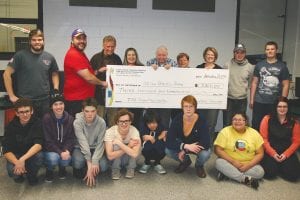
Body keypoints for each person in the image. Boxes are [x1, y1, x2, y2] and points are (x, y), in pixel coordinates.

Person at [3, 29, 59, 118]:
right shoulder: (20, 56)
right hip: (26, 101)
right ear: (29, 41)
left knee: (43, 127)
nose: (37, 42)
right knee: (27, 128)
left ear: (43, 41)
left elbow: (54, 74)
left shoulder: (49, 57)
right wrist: (11, 95)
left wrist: (56, 89)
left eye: (40, 39)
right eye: (34, 40)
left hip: (44, 100)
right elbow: (6, 74)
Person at [214, 112, 264, 189]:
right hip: (229, 162)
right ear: (231, 121)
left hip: (247, 163)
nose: (237, 122)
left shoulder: (254, 133)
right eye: (235, 119)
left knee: (260, 172)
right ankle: (244, 179)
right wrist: (233, 162)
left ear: (246, 122)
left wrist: (248, 165)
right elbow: (218, 150)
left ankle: (227, 175)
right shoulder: (225, 131)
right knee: (218, 162)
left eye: (240, 120)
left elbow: (260, 153)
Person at [63, 28, 107, 117]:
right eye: (78, 38)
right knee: (78, 127)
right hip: (76, 101)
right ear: (72, 40)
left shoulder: (80, 53)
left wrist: (98, 71)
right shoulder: (74, 54)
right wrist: (102, 83)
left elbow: (86, 74)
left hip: (82, 99)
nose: (82, 41)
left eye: (84, 38)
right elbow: (89, 78)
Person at [165, 95, 211, 178]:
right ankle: (185, 161)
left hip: (195, 146)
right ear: (182, 108)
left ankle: (199, 165)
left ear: (195, 108)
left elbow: (206, 142)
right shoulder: (177, 119)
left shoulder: (202, 120)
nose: (188, 109)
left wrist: (185, 150)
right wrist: (185, 146)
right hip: (184, 145)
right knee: (168, 150)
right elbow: (169, 140)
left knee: (206, 153)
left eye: (191, 106)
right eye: (185, 106)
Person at [2, 98, 43, 185]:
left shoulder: (38, 122)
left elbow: (38, 144)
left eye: (27, 111)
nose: (25, 114)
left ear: (32, 111)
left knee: (40, 156)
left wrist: (22, 159)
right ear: (16, 113)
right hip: (16, 155)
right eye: (21, 112)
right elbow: (6, 150)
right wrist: (17, 162)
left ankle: (31, 175)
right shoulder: (10, 126)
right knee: (12, 171)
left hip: (30, 154)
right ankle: (19, 175)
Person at [250, 41, 290, 130]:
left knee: (272, 126)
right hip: (259, 101)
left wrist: (282, 102)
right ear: (265, 51)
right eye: (268, 49)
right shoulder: (259, 65)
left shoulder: (282, 66)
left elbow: (286, 85)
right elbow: (254, 82)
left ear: (276, 50)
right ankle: (256, 144)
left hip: (274, 102)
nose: (270, 51)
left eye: (272, 49)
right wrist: (252, 100)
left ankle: (269, 144)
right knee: (256, 124)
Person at [260, 96, 300, 182]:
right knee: (269, 174)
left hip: (286, 151)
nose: (282, 109)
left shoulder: (294, 122)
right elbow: (264, 139)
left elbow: (296, 142)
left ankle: (280, 165)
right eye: (279, 106)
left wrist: (285, 155)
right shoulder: (267, 119)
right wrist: (273, 154)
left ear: (288, 108)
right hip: (271, 151)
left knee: (294, 176)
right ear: (275, 107)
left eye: (285, 106)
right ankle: (279, 165)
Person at [72, 98, 108, 187]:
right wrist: (89, 164)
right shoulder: (77, 122)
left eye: (93, 111)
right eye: (87, 111)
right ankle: (85, 166)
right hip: (80, 148)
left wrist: (95, 161)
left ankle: (89, 166)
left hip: (95, 148)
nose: (90, 114)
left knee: (103, 166)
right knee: (77, 162)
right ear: (82, 111)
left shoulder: (101, 122)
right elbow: (82, 143)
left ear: (97, 111)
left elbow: (100, 144)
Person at [42, 91, 76, 182]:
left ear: (64, 105)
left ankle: (62, 168)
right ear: (51, 106)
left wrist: (66, 150)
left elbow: (71, 138)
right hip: (50, 149)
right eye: (55, 104)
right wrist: (60, 152)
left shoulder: (70, 119)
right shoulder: (46, 118)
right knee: (53, 158)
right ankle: (49, 170)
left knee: (66, 159)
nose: (58, 107)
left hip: (64, 149)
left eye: (61, 103)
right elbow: (47, 140)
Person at [90, 35, 122, 127]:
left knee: (113, 123)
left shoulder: (117, 59)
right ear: (103, 46)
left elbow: (121, 77)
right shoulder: (95, 58)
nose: (110, 49)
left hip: (113, 97)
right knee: (98, 123)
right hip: (99, 97)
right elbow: (89, 75)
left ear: (115, 46)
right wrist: (98, 71)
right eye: (108, 46)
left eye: (112, 46)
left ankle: (111, 141)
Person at [146, 45, 178, 129]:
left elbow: (177, 78)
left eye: (163, 55)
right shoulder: (150, 62)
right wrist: (150, 69)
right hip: (152, 98)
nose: (161, 57)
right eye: (159, 55)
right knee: (152, 121)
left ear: (167, 55)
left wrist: (172, 70)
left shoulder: (173, 63)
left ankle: (163, 140)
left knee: (164, 121)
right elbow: (145, 78)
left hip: (166, 99)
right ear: (156, 55)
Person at [104, 109, 141, 180]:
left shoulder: (134, 131)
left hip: (128, 158)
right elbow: (110, 156)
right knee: (116, 145)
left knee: (137, 146)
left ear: (130, 122)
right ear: (117, 122)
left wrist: (121, 144)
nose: (124, 124)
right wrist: (128, 146)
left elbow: (135, 154)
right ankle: (115, 169)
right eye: (121, 121)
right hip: (114, 160)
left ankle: (131, 168)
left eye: (126, 121)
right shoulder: (110, 132)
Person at [223, 44, 254, 126]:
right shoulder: (227, 65)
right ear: (234, 53)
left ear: (245, 53)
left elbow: (250, 83)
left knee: (239, 124)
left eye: (242, 52)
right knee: (227, 123)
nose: (239, 55)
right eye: (237, 52)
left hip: (242, 101)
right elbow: (223, 82)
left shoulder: (250, 67)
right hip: (228, 99)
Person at [196, 47, 223, 144]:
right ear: (205, 56)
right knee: (200, 123)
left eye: (212, 55)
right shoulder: (199, 67)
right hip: (200, 101)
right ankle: (199, 142)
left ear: (215, 56)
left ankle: (208, 143)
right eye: (208, 54)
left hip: (213, 102)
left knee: (211, 124)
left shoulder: (220, 69)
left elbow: (222, 86)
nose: (210, 56)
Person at [139, 110, 167, 174]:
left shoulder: (162, 126)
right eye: (149, 123)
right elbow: (151, 140)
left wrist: (163, 135)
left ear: (158, 122)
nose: (152, 125)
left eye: (154, 123)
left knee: (162, 147)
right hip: (148, 148)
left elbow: (166, 132)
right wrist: (159, 137)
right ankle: (147, 162)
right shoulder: (144, 128)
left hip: (158, 147)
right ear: (146, 123)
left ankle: (157, 163)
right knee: (147, 146)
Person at [122, 47, 144, 128]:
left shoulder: (142, 67)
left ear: (136, 56)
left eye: (133, 55)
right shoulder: (120, 68)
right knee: (125, 122)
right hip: (124, 102)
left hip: (138, 101)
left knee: (137, 123)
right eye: (129, 55)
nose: (131, 57)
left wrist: (153, 68)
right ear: (126, 56)